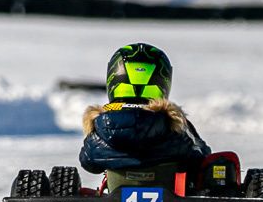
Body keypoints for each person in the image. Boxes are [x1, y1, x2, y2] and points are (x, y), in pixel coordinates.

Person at [79, 43, 210, 175]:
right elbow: (200, 156)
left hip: (117, 189)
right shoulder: (173, 121)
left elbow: (88, 161)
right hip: (167, 189)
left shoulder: (101, 122)